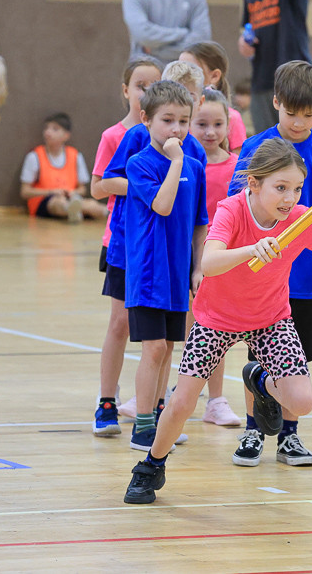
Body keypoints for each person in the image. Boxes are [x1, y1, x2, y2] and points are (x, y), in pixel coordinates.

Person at [123, 138, 312, 504]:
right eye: (281, 188)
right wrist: (250, 250)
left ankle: (258, 378)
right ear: (254, 184)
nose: (290, 198)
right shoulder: (231, 210)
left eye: (297, 189)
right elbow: (209, 263)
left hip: (271, 320)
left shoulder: (299, 220)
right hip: (216, 319)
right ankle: (151, 466)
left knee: (303, 402)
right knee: (181, 402)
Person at [229, 61, 312, 467]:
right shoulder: (255, 150)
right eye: (291, 113)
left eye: (309, 114)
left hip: (302, 281)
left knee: (298, 360)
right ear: (275, 102)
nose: (299, 122)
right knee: (257, 358)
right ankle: (252, 431)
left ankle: (290, 437)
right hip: (259, 279)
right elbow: (236, 206)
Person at [97, 67, 207, 446]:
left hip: (178, 274)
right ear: (146, 120)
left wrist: (197, 268)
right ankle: (143, 424)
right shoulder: (140, 163)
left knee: (169, 349)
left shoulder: (196, 166)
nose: (176, 130)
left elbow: (198, 222)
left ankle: (158, 415)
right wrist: (175, 163)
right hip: (146, 272)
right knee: (154, 347)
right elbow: (161, 206)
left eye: (183, 122)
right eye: (167, 121)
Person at [90, 57, 163, 436]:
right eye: (140, 86)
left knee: (160, 334)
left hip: (160, 246)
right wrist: (142, 185)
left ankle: (155, 405)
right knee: (119, 322)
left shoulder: (171, 140)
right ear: (125, 91)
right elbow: (98, 187)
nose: (146, 93)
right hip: (121, 242)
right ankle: (106, 402)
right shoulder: (114, 136)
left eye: (154, 86)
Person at [184, 87, 241, 426]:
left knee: (214, 332)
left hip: (223, 262)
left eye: (218, 124)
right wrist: (195, 265)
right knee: (187, 334)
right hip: (189, 260)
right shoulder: (186, 165)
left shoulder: (238, 168)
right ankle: (170, 397)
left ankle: (216, 400)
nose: (210, 132)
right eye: (201, 124)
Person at [237, 0, 311, 133]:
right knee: (267, 153)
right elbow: (249, 25)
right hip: (261, 81)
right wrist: (244, 41)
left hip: (294, 77)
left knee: (295, 151)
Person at [20, 112, 106, 223]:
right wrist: (51, 192)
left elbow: (82, 189)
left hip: (71, 198)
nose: (48, 132)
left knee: (91, 204)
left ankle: (111, 214)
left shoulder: (75, 156)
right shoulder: (34, 156)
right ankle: (70, 210)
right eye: (46, 128)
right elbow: (25, 191)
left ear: (66, 135)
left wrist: (72, 192)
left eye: (55, 129)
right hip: (44, 202)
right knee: (58, 202)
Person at [179, 42, 247, 151]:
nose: (181, 76)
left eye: (190, 71)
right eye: (179, 68)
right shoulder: (175, 118)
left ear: (214, 76)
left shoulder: (233, 117)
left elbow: (240, 163)